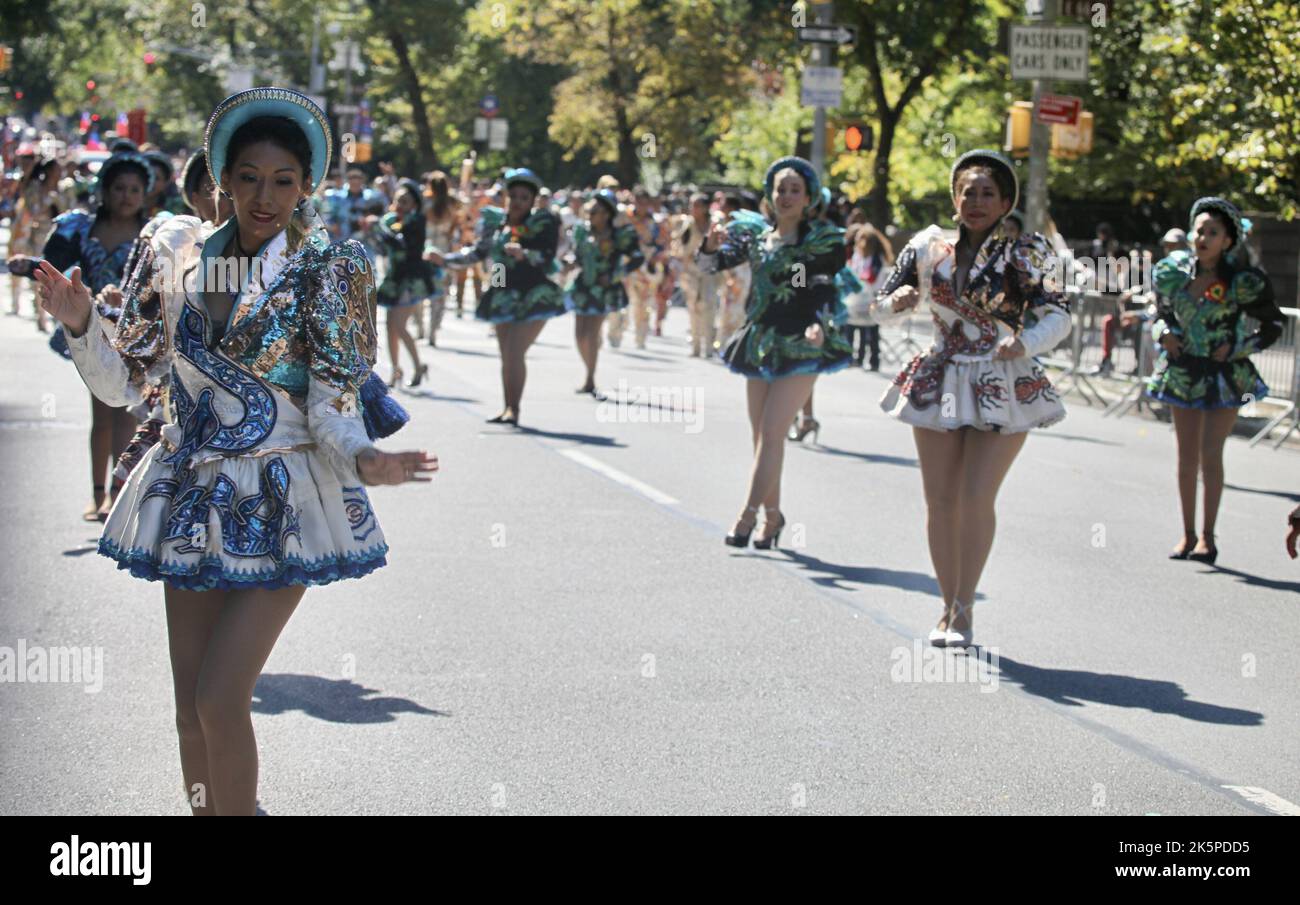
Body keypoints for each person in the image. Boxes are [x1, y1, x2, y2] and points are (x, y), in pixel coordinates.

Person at [35, 87, 436, 816]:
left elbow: (332, 400)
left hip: (286, 498)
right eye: (249, 176)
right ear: (221, 177)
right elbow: (128, 384)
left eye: (284, 181)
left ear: (306, 186)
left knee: (222, 699)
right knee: (190, 709)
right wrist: (82, 322)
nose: (265, 196)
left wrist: (365, 459)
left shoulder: (328, 267)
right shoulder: (171, 253)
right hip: (188, 494)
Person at [872, 150, 1070, 648]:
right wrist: (891, 305)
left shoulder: (1029, 251)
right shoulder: (926, 247)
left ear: (1006, 201)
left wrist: (1025, 341)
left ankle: (965, 612)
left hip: (1002, 378)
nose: (976, 200)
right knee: (940, 501)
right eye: (967, 191)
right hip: (940, 376)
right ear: (955, 199)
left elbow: (1059, 314)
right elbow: (878, 303)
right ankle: (948, 608)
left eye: (987, 192)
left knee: (977, 496)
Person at [698, 156, 853, 550]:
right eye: (780, 189)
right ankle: (773, 517)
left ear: (808, 198)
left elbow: (813, 284)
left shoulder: (816, 241)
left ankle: (746, 515)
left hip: (802, 341)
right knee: (761, 436)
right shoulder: (755, 236)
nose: (785, 196)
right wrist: (709, 245)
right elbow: (710, 265)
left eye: (794, 190)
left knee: (772, 432)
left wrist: (817, 319)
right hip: (759, 338)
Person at [8, 149, 154, 521]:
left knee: (128, 412)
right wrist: (30, 268)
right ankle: (97, 493)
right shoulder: (79, 227)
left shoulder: (154, 235)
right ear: (104, 190)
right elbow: (53, 267)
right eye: (119, 187)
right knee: (101, 414)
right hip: (90, 328)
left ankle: (120, 495)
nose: (126, 195)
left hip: (134, 334)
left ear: (145, 194)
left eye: (134, 189)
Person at [1146, 197, 1284, 564]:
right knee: (1185, 458)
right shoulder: (1174, 272)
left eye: (1212, 232)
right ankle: (1187, 534)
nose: (1202, 238)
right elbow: (1157, 310)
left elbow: (1273, 325)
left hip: (1226, 377)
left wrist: (1239, 347)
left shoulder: (1241, 282)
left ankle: (1208, 536)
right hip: (1183, 372)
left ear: (1227, 240)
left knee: (1211, 455)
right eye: (1199, 230)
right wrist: (1164, 334)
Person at [425, 167, 565, 426]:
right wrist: (445, 259)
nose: (518, 202)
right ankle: (508, 407)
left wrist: (525, 253)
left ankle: (515, 410)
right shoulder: (496, 223)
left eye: (525, 197)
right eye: (514, 196)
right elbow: (477, 253)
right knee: (506, 354)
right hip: (502, 292)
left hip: (534, 294)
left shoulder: (543, 223)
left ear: (533, 200)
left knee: (514, 352)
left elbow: (547, 257)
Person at [563, 188, 644, 395]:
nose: (589, 214)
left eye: (594, 211)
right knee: (579, 334)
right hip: (583, 286)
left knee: (592, 332)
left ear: (606, 214)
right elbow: (576, 255)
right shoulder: (582, 232)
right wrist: (570, 262)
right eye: (589, 210)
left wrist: (615, 275)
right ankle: (588, 369)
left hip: (604, 289)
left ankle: (590, 377)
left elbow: (637, 258)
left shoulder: (620, 236)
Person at [370, 178, 436, 388]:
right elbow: (383, 248)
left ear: (414, 204)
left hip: (411, 279)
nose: (400, 205)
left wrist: (380, 229)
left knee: (400, 325)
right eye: (398, 201)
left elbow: (402, 243)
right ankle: (396, 370)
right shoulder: (393, 220)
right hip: (395, 276)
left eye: (405, 201)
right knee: (390, 327)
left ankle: (418, 365)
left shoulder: (416, 221)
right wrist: (376, 231)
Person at [673, 192, 723, 358]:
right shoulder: (687, 225)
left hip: (709, 271)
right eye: (692, 205)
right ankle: (695, 346)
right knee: (693, 308)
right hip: (691, 272)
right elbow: (678, 247)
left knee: (709, 307)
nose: (693, 209)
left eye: (697, 205)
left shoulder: (714, 224)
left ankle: (708, 346)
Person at [843, 222, 895, 372]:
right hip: (856, 299)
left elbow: (876, 280)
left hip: (871, 298)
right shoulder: (856, 255)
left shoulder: (878, 259)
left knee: (871, 333)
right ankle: (854, 358)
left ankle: (874, 360)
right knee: (852, 328)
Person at [423, 170, 463, 345]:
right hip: (446, 248)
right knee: (443, 289)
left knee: (427, 287)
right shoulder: (453, 204)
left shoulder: (426, 203)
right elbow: (459, 223)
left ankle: (425, 328)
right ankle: (434, 326)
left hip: (428, 247)